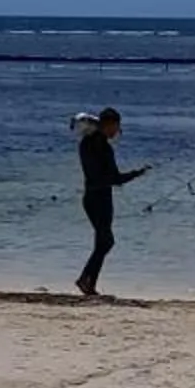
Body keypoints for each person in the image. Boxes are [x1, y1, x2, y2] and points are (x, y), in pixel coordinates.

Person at [75, 107, 146, 298]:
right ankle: (85, 280)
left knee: (103, 242)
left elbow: (103, 175)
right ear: (109, 125)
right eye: (116, 126)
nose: (117, 131)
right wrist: (136, 174)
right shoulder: (103, 147)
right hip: (100, 199)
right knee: (106, 241)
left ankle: (87, 283)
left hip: (93, 197)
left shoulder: (86, 143)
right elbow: (114, 178)